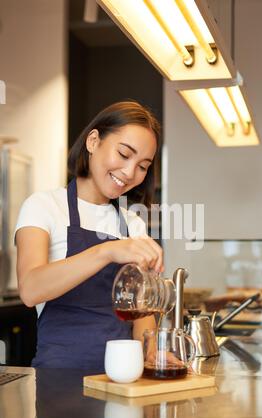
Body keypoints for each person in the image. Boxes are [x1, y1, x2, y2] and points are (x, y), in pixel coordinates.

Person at [15, 101, 163, 370]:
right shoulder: (44, 206)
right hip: (59, 382)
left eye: (143, 166)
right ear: (93, 141)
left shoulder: (133, 225)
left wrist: (152, 353)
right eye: (124, 154)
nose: (130, 173)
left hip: (122, 381)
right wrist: (106, 251)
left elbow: (141, 315)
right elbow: (30, 289)